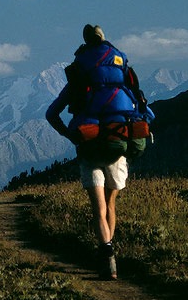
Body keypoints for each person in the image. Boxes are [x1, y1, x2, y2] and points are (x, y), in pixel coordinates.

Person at [46, 24, 151, 280]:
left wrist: (69, 134)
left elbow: (51, 113)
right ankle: (109, 256)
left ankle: (107, 255)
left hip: (90, 146)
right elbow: (144, 108)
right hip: (119, 143)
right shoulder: (122, 75)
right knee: (111, 204)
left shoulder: (80, 80)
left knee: (98, 207)